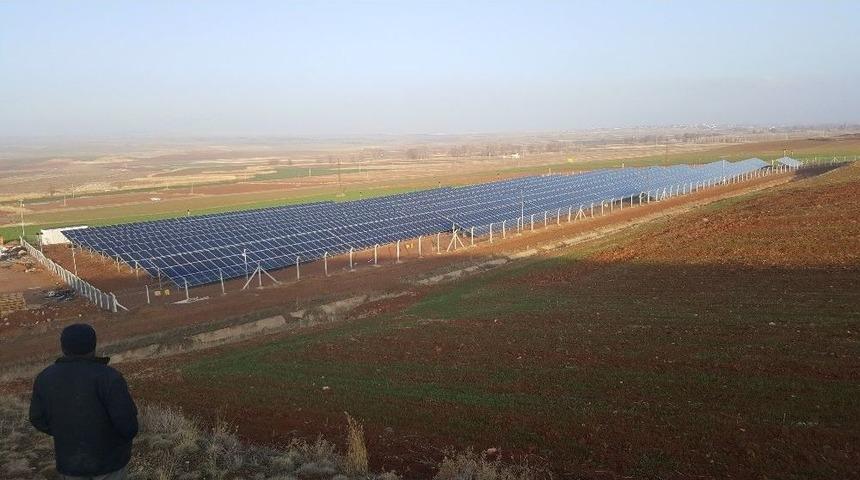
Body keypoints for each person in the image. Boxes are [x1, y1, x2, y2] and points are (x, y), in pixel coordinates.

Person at [29, 323, 138, 479]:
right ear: (93, 346)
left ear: (63, 347)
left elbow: (37, 418)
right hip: (109, 463)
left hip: (69, 463)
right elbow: (128, 425)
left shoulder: (45, 378)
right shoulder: (109, 377)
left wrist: (65, 433)